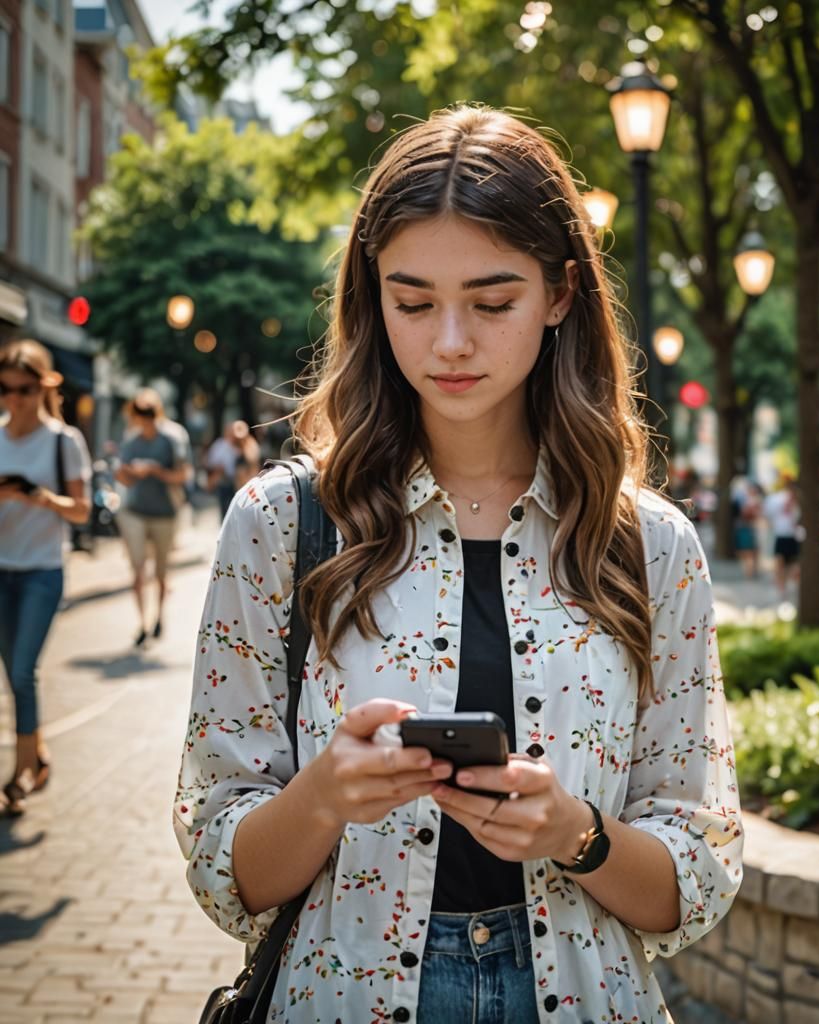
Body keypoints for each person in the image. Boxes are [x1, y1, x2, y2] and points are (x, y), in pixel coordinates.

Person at [174, 106, 743, 1024]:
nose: (448, 343)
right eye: (412, 301)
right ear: (372, 296)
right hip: (345, 991)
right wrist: (321, 797)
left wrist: (578, 834)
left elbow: (699, 871)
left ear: (560, 294)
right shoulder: (281, 523)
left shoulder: (650, 544)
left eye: (491, 302)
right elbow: (222, 861)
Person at [0, 339, 91, 815]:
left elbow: (81, 511)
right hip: (2, 568)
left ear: (43, 388)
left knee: (21, 669)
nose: (15, 399)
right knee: (11, 673)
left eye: (25, 389)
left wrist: (39, 498)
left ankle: (19, 775)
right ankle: (36, 756)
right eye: (6, 389)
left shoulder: (63, 441)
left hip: (42, 571)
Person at [114, 388, 192, 645]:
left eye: (147, 412)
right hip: (135, 511)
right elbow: (123, 477)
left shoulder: (172, 437)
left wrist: (155, 471)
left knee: (160, 573)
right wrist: (125, 472)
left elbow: (183, 475)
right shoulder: (131, 439)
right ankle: (142, 623)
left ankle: (159, 615)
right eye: (139, 413)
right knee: (137, 571)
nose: (143, 418)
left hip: (165, 513)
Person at [204, 419, 263, 519]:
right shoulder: (221, 445)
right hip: (227, 485)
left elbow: (253, 463)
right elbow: (209, 463)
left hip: (246, 488)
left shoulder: (250, 445)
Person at [763, 473, 801, 600]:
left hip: (793, 536)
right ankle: (781, 588)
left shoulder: (798, 500)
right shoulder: (775, 499)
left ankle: (789, 586)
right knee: (780, 564)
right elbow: (768, 515)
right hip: (780, 534)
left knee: (794, 565)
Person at [733, 479, 762, 579]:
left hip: (750, 528)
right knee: (747, 552)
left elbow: (751, 514)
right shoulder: (745, 500)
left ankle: (751, 572)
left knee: (751, 551)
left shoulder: (752, 500)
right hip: (746, 527)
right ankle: (750, 572)